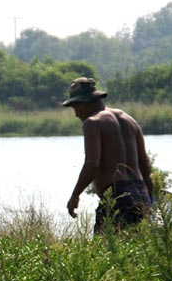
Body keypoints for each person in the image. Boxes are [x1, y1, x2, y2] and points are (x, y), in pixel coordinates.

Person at [62, 77, 153, 233]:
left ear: (84, 103)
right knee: (137, 250)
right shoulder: (129, 120)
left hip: (117, 198)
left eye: (75, 107)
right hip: (140, 194)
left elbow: (92, 164)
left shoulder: (92, 123)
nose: (76, 114)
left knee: (105, 252)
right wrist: (149, 198)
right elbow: (145, 165)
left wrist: (75, 196)